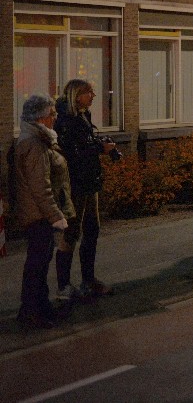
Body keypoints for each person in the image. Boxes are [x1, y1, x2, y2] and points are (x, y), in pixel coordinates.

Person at [12, 94, 73, 329]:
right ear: (40, 118)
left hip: (36, 212)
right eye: (52, 114)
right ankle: (30, 311)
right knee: (37, 264)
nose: (55, 117)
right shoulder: (35, 144)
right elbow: (41, 187)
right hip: (38, 214)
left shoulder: (36, 140)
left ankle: (39, 307)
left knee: (39, 262)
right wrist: (56, 216)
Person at [53, 79, 117, 301]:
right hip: (76, 184)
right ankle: (64, 287)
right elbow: (73, 151)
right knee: (71, 232)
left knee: (92, 229)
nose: (93, 95)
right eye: (88, 92)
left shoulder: (83, 116)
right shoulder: (66, 121)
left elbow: (86, 142)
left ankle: (88, 280)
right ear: (76, 95)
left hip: (90, 181)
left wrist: (99, 144)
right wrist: (100, 147)